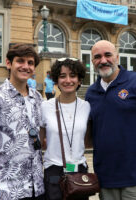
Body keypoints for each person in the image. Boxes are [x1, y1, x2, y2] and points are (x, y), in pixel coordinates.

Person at [85, 40, 136, 200]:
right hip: (106, 179)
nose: (103, 60)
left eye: (107, 55)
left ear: (117, 57)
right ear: (92, 62)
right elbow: (89, 136)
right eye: (97, 57)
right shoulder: (91, 93)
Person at [0, 44, 45, 200]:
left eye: (30, 63)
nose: (26, 66)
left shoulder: (38, 98)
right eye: (20, 61)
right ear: (9, 63)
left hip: (37, 188)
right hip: (7, 190)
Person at [40, 58, 90, 200]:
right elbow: (40, 139)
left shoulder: (86, 107)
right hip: (54, 170)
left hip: (79, 170)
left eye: (72, 75)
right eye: (62, 76)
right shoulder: (45, 107)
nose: (68, 80)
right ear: (56, 81)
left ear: (79, 80)